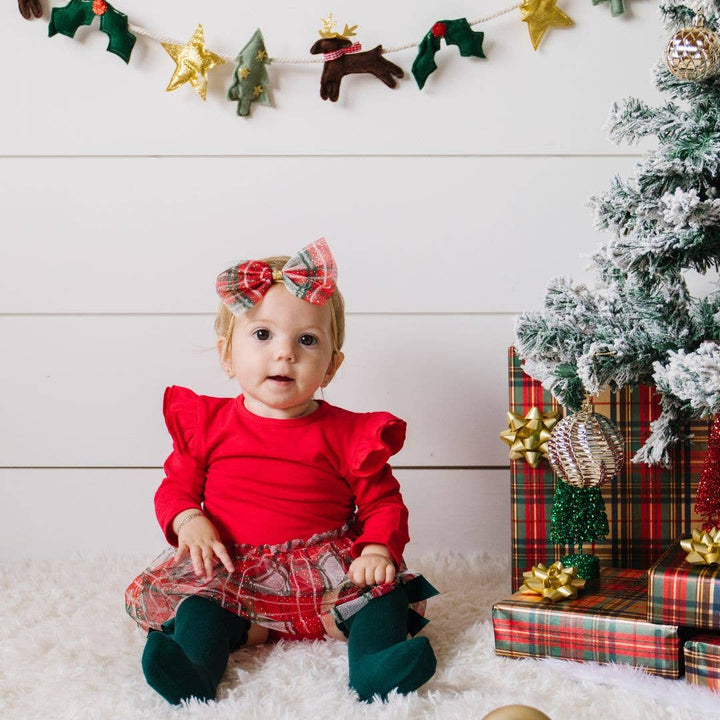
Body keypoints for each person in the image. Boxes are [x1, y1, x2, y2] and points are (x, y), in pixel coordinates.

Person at [125, 238, 438, 705]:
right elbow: (176, 487)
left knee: (381, 596)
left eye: (306, 340)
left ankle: (375, 664)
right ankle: (193, 669)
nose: (284, 353)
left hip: (328, 575)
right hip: (237, 575)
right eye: (262, 335)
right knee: (199, 607)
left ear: (331, 367)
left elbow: (383, 502)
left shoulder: (349, 434)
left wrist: (375, 548)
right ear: (227, 354)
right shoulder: (207, 424)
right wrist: (189, 519)